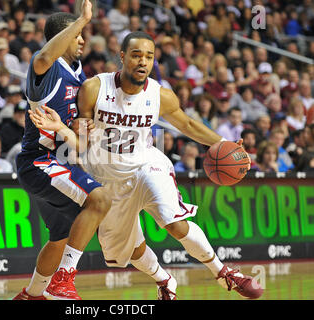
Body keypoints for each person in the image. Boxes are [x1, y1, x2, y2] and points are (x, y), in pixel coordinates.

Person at [30, 31, 263, 300]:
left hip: (147, 165)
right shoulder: (94, 88)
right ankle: (164, 280)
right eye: (137, 55)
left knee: (173, 222)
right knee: (129, 251)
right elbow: (81, 136)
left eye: (149, 57)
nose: (143, 62)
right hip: (106, 177)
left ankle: (223, 273)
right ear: (122, 57)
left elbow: (187, 125)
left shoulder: (160, 95)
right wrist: (75, 129)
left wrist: (225, 143)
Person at [13, 1, 112, 301]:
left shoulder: (82, 79)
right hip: (38, 162)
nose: (83, 40)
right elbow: (44, 54)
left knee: (60, 238)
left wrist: (71, 131)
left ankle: (31, 295)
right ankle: (63, 281)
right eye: (78, 34)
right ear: (65, 35)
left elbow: (80, 143)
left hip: (63, 163)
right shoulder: (45, 67)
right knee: (101, 199)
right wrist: (81, 19)